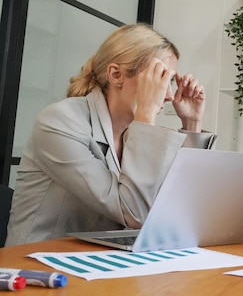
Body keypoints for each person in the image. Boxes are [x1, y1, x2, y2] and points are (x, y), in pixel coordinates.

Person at [5, 23, 215, 245]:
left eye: (169, 81)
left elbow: (184, 208)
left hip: (103, 260)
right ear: (116, 75)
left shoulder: (137, 132)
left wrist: (191, 122)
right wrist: (145, 114)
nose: (170, 96)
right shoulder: (59, 121)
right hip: (38, 266)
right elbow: (133, 214)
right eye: (158, 80)